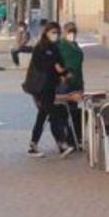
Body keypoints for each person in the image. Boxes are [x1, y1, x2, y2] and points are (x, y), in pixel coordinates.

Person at [26, 22, 74, 158]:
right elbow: (42, 66)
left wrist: (65, 73)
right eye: (53, 32)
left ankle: (33, 145)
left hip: (51, 87)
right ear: (46, 32)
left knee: (42, 116)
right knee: (53, 115)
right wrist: (55, 67)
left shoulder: (55, 48)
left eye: (57, 33)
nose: (55, 35)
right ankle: (61, 144)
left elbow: (60, 65)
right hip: (41, 88)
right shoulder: (40, 48)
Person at [54, 22, 85, 147]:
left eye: (74, 31)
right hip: (65, 84)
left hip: (77, 82)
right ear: (64, 32)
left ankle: (75, 139)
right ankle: (68, 138)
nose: (72, 34)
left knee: (76, 111)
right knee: (66, 111)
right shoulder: (60, 45)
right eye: (69, 31)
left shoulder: (75, 46)